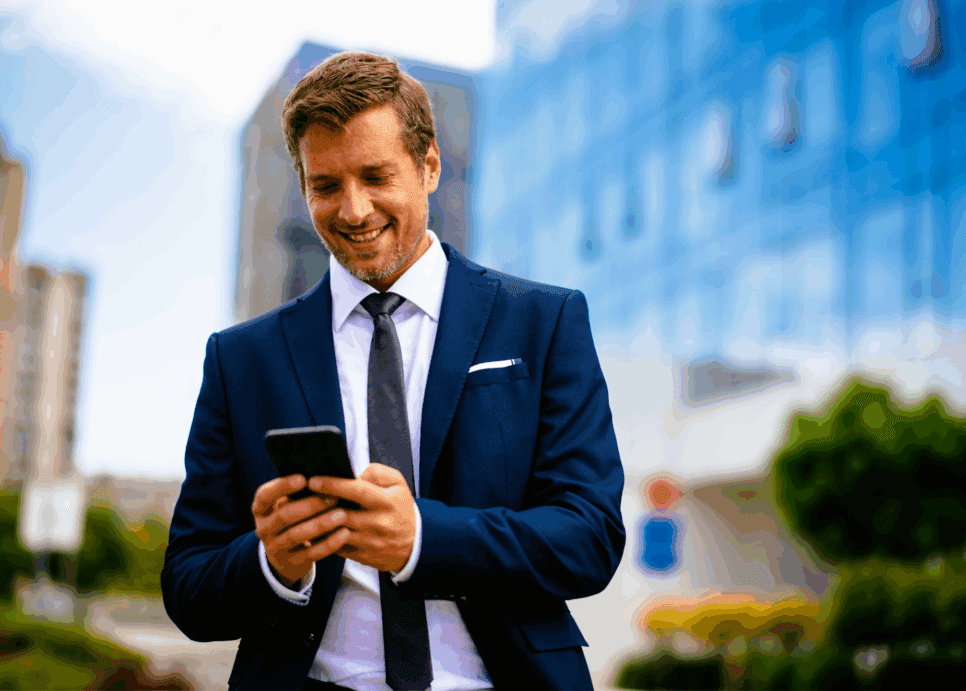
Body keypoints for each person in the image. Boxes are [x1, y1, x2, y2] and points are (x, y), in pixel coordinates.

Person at [161, 51, 625, 691]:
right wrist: (272, 562)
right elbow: (188, 584)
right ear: (303, 188)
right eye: (326, 186)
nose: (354, 211)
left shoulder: (544, 323)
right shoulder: (241, 360)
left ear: (429, 166)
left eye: (376, 176)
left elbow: (590, 537)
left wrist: (424, 540)